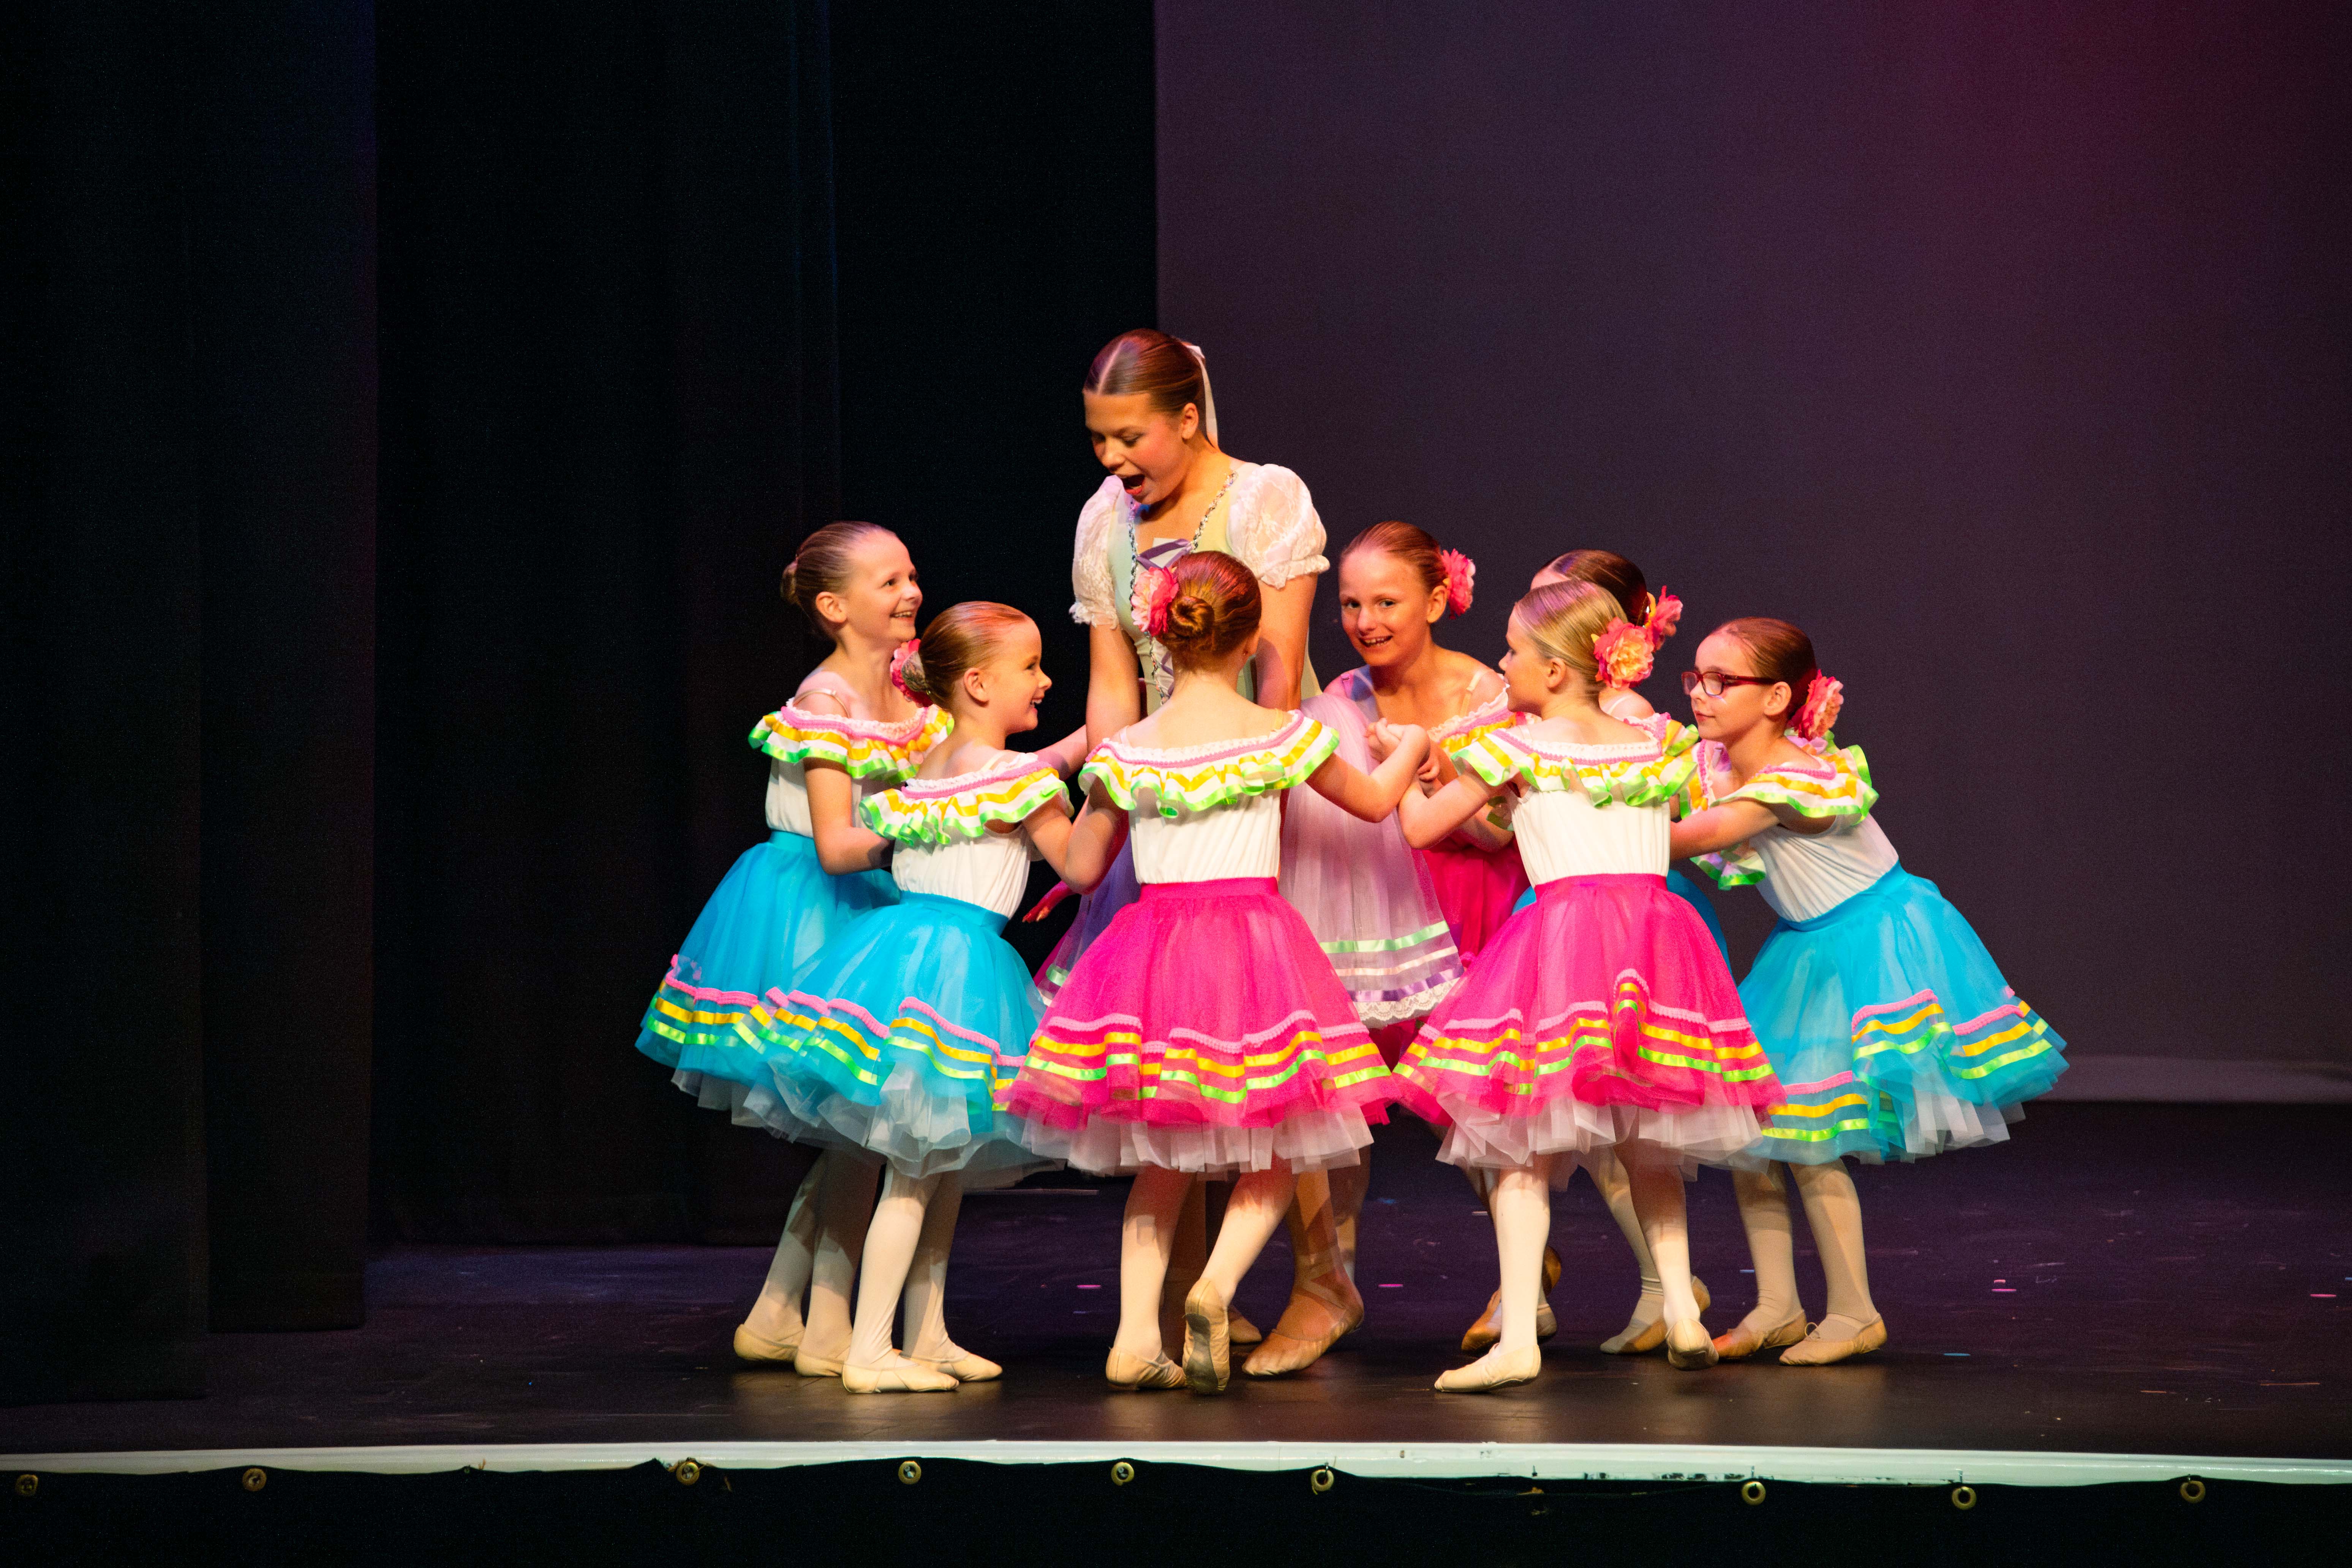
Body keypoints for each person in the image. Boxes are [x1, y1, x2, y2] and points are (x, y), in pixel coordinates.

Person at [1000, 551, 1430, 1393]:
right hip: (1254, 949)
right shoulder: (1279, 734)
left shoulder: (1128, 749)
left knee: (1162, 1161)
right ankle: (1217, 1285)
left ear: (1162, 636)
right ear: (1248, 642)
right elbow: (1378, 803)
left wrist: (1032, 802)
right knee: (1279, 1140)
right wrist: (1411, 744)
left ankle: (1134, 1337)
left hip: (1152, 957)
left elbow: (1083, 869)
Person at [1029, 327, 1342, 1367]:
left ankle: (1318, 1281)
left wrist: (1261, 786)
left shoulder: (1265, 500)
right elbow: (1112, 686)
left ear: (1189, 419)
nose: (1113, 459)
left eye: (1131, 437)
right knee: (1175, 1056)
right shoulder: (1103, 520)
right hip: (1159, 793)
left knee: (1279, 1057)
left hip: (1258, 786)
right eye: (1098, 440)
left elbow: (1279, 668)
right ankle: (1182, 1304)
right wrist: (1107, 801)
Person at [1387, 579, 1781, 1392]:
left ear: (1557, 671)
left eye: (1512, 653)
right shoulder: (1656, 745)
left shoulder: (1517, 746)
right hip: (1652, 943)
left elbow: (1424, 829)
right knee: (1649, 1144)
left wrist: (1406, 762)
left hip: (1563, 945)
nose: (1501, 666)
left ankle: (1519, 1340)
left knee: (1521, 1148)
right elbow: (1532, 825)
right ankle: (1682, 1309)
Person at [1672, 617, 2067, 1365]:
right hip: (1804, 950)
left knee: (1811, 1138)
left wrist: (1579, 829)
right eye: (1697, 677)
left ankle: (1855, 1312)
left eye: (1723, 681)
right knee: (1753, 1131)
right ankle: (1778, 1305)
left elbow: (1697, 834)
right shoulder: (1710, 761)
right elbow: (1666, 789)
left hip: (1870, 946)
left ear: (1777, 698)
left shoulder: (1796, 777)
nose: (1701, 694)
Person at [752, 604, 1124, 1392]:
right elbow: (1082, 868)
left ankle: (926, 1335)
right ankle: (870, 1348)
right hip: (954, 971)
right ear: (980, 684)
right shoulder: (1016, 779)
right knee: (915, 1170)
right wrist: (1115, 793)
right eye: (1031, 667)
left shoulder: (927, 771)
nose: (1045, 680)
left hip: (900, 959)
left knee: (939, 1162)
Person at [630, 523, 947, 1375]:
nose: (912, 593)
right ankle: (819, 1327)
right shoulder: (825, 702)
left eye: (912, 575)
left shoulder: (909, 688)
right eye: (889, 582)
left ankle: (782, 1314)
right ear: (834, 607)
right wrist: (937, 831)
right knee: (860, 1129)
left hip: (873, 906)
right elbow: (839, 845)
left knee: (861, 1130)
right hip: (814, 907)